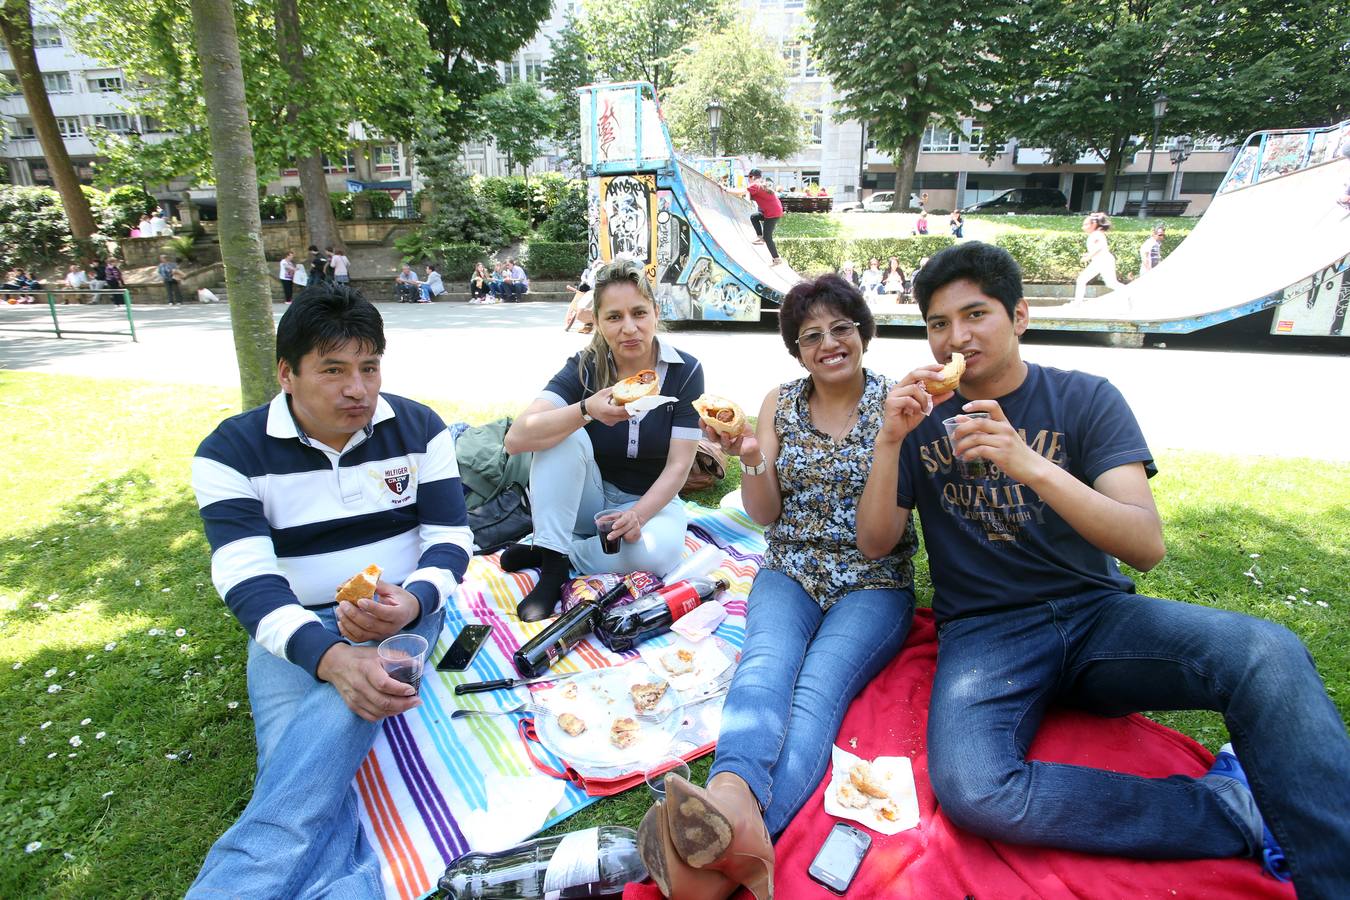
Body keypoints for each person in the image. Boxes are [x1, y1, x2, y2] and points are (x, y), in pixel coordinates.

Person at [855, 241, 1350, 897]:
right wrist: (889, 440)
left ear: (1020, 316)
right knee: (975, 791)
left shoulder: (1085, 399)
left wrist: (1027, 461)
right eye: (939, 323)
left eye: (976, 315)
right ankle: (1230, 811)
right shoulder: (919, 418)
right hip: (985, 636)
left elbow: (1143, 543)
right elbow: (873, 542)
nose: (957, 337)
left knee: (1268, 652)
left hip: (1097, 620)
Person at [187, 282, 472, 898]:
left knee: (307, 758)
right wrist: (329, 656)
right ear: (287, 374)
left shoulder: (420, 427)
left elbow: (451, 538)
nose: (358, 389)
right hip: (294, 626)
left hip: (398, 609)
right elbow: (247, 577)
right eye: (334, 370)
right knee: (307, 761)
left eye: (370, 368)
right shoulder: (230, 452)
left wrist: (416, 600)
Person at [639, 275, 918, 900]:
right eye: (810, 335)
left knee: (814, 695)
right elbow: (764, 514)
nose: (828, 343)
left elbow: (878, 543)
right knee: (763, 671)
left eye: (841, 328)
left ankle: (721, 861)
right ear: (795, 349)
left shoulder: (897, 406)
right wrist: (748, 455)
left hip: (873, 581)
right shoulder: (779, 403)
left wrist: (890, 443)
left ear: (864, 333)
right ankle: (731, 796)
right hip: (790, 567)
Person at [499, 258, 704, 621]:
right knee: (560, 434)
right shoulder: (585, 365)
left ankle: (557, 553)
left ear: (656, 313)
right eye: (614, 317)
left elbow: (679, 466)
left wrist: (638, 515)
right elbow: (517, 438)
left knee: (661, 554)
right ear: (597, 320)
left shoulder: (685, 371)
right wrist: (585, 410)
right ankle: (552, 568)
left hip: (651, 502)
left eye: (639, 313)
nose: (629, 328)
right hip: (587, 500)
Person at [724, 168, 785, 266]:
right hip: (773, 211)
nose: (748, 180)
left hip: (772, 214)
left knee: (768, 237)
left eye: (748, 178)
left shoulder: (755, 185)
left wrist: (726, 189)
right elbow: (745, 195)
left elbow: (742, 192)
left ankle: (776, 258)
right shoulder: (760, 185)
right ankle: (760, 237)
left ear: (752, 177)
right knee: (754, 217)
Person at [1073, 212, 1124, 301]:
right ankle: (1077, 303)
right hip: (1100, 261)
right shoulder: (1096, 234)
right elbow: (1098, 248)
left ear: (1094, 224)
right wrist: (1089, 254)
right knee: (1083, 280)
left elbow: (1100, 247)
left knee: (1083, 280)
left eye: (1086, 225)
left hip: (1103, 261)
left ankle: (1077, 303)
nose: (1083, 227)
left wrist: (1088, 257)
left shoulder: (1096, 234)